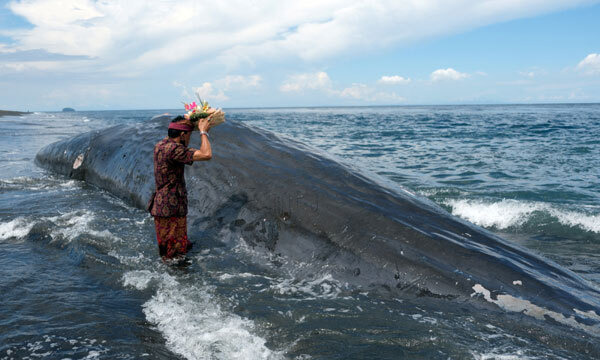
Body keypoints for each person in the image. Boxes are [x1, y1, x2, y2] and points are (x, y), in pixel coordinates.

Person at [149, 113, 215, 260]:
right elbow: (206, 154)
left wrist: (191, 118)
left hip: (163, 205)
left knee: (172, 249)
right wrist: (203, 132)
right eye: (189, 135)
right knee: (173, 256)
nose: (190, 138)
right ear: (183, 135)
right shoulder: (174, 150)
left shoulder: (160, 145)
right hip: (171, 207)